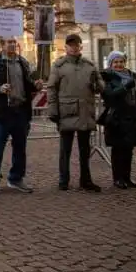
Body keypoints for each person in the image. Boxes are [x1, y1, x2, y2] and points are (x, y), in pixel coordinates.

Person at [0, 37, 43, 194]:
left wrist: (35, 85)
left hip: (20, 110)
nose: (12, 45)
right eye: (9, 42)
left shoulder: (22, 62)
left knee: (20, 147)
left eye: (14, 42)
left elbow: (27, 83)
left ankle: (16, 178)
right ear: (2, 45)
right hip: (2, 112)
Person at [46, 34, 104, 192]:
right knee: (65, 149)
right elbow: (51, 88)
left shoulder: (90, 65)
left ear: (81, 46)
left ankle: (86, 180)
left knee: (85, 149)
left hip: (85, 111)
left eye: (76, 44)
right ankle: (63, 180)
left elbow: (101, 87)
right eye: (70, 45)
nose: (74, 47)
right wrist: (53, 110)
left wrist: (98, 83)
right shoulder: (58, 66)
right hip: (67, 111)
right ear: (66, 47)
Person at [99, 51, 136, 189]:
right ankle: (118, 178)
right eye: (115, 62)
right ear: (110, 64)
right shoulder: (106, 77)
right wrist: (124, 87)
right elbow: (109, 95)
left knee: (129, 148)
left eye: (121, 61)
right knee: (118, 148)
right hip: (117, 116)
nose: (119, 64)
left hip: (133, 116)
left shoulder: (132, 75)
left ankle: (127, 177)